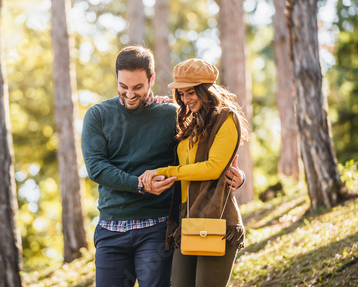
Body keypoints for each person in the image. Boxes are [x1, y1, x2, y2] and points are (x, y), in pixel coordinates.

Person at [81, 46, 245, 287]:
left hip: (157, 229)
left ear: (152, 79)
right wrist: (139, 184)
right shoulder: (97, 115)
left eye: (137, 87)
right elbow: (96, 168)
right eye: (123, 86)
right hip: (111, 229)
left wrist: (237, 175)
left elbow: (205, 155)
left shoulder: (173, 114)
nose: (129, 94)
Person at [139, 58, 250, 287]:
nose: (185, 100)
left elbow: (213, 168)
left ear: (206, 90)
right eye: (180, 94)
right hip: (185, 217)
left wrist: (166, 172)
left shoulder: (225, 117)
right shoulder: (190, 123)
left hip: (215, 215)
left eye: (190, 92)